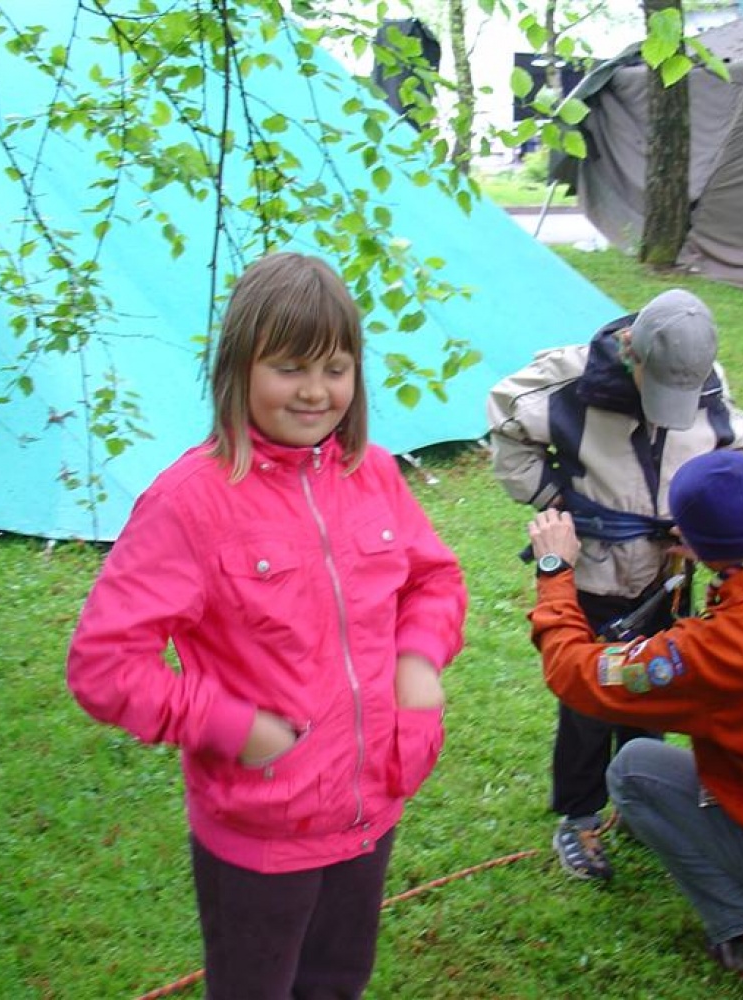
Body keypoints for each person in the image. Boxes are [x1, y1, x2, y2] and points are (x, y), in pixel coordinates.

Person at [66, 252, 468, 1000]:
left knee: (338, 982)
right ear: (237, 370)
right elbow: (103, 665)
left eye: (337, 367)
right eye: (289, 367)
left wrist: (417, 671)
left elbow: (434, 579)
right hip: (260, 832)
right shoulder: (190, 503)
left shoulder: (370, 473)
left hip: (371, 807)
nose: (317, 391)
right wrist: (228, 723)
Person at [526, 450, 743, 983]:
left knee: (635, 770)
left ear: (692, 541)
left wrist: (554, 569)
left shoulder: (714, 654)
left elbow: (577, 673)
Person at [486, 288, 743, 881]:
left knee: (653, 684)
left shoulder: (702, 381)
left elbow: (736, 448)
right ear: (631, 350)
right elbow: (506, 424)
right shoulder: (568, 381)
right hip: (594, 572)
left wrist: (707, 521)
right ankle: (579, 816)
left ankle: (638, 797)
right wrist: (558, 503)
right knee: (588, 696)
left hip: (667, 577)